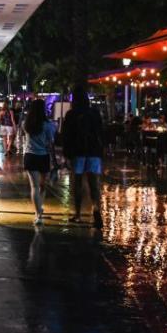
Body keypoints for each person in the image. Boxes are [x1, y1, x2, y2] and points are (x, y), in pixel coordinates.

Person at [60, 86, 105, 228]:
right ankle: (96, 209)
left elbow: (66, 136)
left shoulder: (71, 114)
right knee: (94, 183)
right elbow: (101, 131)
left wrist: (66, 155)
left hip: (77, 152)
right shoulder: (95, 113)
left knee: (77, 182)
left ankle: (78, 214)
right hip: (94, 152)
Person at [22, 99, 57, 226]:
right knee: (42, 185)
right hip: (43, 156)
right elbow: (51, 143)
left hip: (30, 156)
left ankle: (38, 213)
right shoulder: (48, 125)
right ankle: (39, 210)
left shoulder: (26, 124)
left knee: (34, 186)